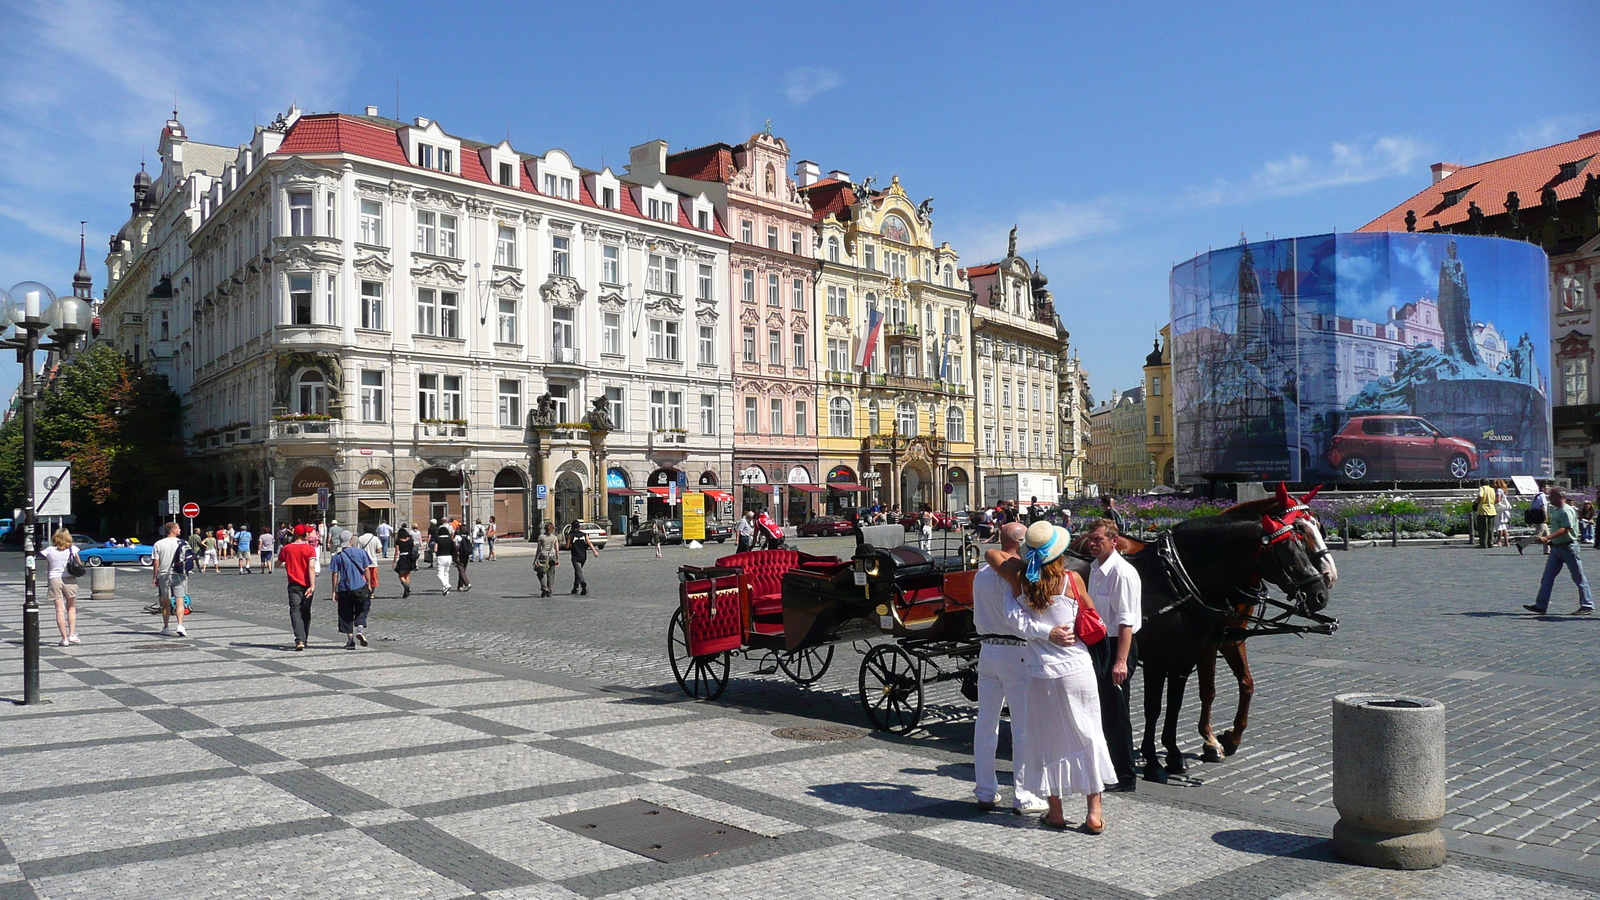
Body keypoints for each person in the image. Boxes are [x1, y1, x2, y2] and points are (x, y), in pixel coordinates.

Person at [993, 521, 1117, 832]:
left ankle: (1057, 811)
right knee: (1088, 734)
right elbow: (1094, 619)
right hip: (1077, 668)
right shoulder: (1073, 580)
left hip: (1040, 672)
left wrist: (1044, 631)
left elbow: (1011, 615)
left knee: (1045, 740)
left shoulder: (1021, 582)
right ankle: (1094, 812)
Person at [971, 522, 1045, 814]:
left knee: (985, 724)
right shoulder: (1015, 573)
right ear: (1022, 542)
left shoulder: (982, 572)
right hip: (1015, 651)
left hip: (987, 649)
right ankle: (1024, 795)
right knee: (1023, 726)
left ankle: (985, 790)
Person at [1083, 518, 1140, 792]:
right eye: (1091, 539)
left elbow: (1126, 621)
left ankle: (1126, 776)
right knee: (1100, 710)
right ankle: (1107, 770)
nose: (1092, 544)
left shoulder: (1121, 572)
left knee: (1117, 713)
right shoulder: (1095, 569)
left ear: (1114, 540)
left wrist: (1120, 661)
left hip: (1118, 645)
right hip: (1099, 644)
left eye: (1098, 540)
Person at [1523, 489, 1595, 615]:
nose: (1549, 498)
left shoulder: (1566, 510)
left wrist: (1547, 538)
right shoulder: (1556, 510)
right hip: (1557, 549)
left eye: (1552, 496)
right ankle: (1541, 605)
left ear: (1560, 497)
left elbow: (1565, 528)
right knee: (1547, 577)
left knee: (1578, 577)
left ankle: (1587, 605)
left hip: (1568, 548)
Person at [329, 539, 375, 649]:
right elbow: (367, 569)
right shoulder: (361, 553)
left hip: (344, 589)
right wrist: (369, 584)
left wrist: (334, 591)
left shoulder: (337, 557)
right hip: (360, 587)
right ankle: (360, 628)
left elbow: (335, 574)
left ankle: (350, 641)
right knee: (363, 607)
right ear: (351, 540)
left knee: (346, 614)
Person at [41, 528, 83, 646]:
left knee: (59, 610)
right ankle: (72, 635)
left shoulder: (49, 550)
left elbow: (49, 566)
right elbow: (79, 564)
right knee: (71, 608)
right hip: (69, 579)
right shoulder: (73, 549)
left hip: (54, 579)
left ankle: (64, 639)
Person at [280, 526, 319, 650]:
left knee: (295, 610)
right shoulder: (310, 549)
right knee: (306, 611)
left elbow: (277, 563)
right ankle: (305, 638)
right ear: (304, 535)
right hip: (307, 584)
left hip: (293, 585)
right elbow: (311, 567)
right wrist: (312, 585)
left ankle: (300, 639)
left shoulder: (286, 548)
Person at [151, 522, 191, 637]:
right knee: (180, 601)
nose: (180, 530)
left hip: (164, 574)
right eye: (178, 528)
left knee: (165, 603)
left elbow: (156, 563)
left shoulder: (158, 544)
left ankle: (166, 627)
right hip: (179, 574)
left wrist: (155, 577)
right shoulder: (182, 542)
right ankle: (180, 625)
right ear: (173, 530)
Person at [569, 519, 598, 595]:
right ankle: (575, 587)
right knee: (578, 571)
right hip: (583, 556)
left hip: (575, 556)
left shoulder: (571, 535)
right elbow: (589, 543)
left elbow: (567, 546)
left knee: (578, 572)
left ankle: (583, 585)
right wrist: (595, 551)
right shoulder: (584, 535)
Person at [534, 521, 561, 597]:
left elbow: (538, 549)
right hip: (552, 556)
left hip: (543, 556)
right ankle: (550, 591)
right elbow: (557, 549)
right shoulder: (554, 538)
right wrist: (557, 559)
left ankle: (544, 587)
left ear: (545, 529)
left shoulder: (541, 537)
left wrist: (535, 560)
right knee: (551, 574)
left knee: (540, 572)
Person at [393, 526, 417, 597]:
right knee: (407, 574)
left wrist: (394, 561)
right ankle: (407, 589)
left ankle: (406, 586)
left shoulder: (398, 541)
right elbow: (413, 549)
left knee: (401, 575)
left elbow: (397, 552)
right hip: (409, 557)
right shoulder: (410, 540)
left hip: (402, 557)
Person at [433, 520, 455, 596]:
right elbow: (453, 549)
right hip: (449, 557)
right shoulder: (450, 539)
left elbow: (435, 549)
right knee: (446, 573)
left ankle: (446, 585)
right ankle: (445, 589)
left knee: (439, 574)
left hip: (441, 557)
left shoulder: (438, 539)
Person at [1474, 479, 1498, 549]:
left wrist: (1475, 501)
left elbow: (1480, 496)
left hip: (1483, 510)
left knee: (1483, 528)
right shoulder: (1492, 489)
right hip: (1492, 509)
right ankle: (1490, 542)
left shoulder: (1482, 488)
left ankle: (1483, 543)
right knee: (1490, 528)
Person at [452, 518, 474, 592]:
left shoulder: (458, 537)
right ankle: (459, 586)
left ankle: (467, 583)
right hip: (466, 555)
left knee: (461, 570)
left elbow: (455, 546)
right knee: (463, 570)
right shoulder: (467, 536)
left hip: (460, 555)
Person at [1494, 480, 1512, 548]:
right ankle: (1506, 541)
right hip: (1504, 510)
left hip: (1499, 510)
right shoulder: (1503, 490)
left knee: (1499, 526)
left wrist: (1492, 503)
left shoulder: (1498, 490)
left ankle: (1499, 541)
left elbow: (1498, 499)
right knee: (1503, 526)